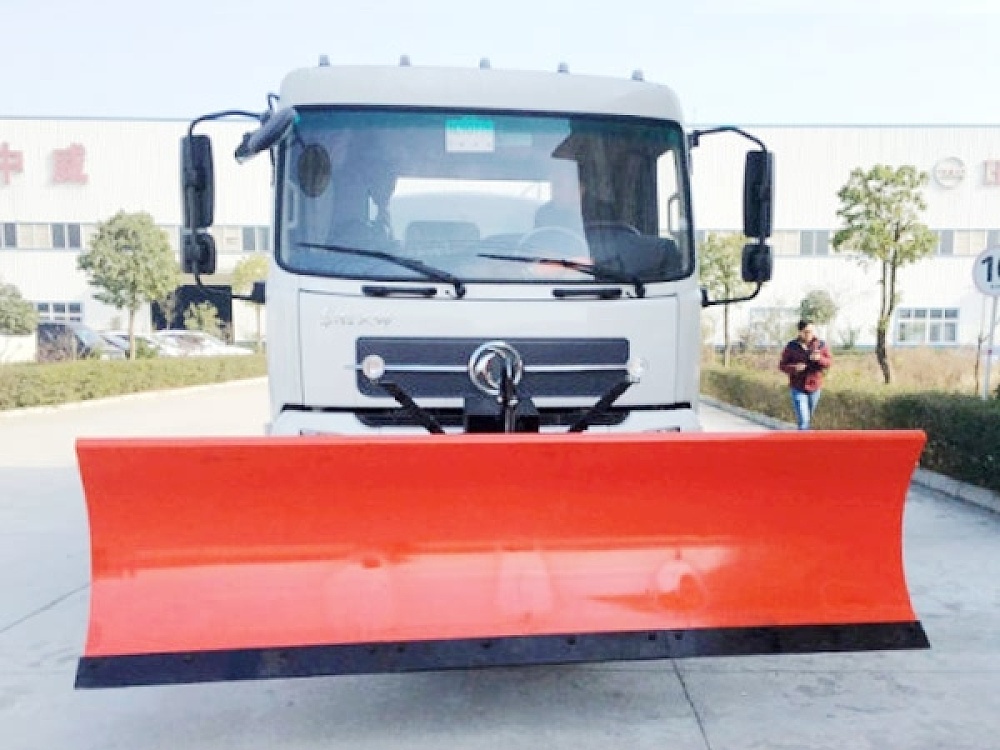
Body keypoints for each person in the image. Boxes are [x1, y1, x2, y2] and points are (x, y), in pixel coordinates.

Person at [779, 320, 832, 430]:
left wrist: (819, 359)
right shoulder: (791, 346)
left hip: (814, 386)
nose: (810, 334)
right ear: (800, 332)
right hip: (798, 387)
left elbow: (829, 362)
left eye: (812, 331)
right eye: (807, 332)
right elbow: (782, 365)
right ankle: (804, 439)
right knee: (804, 420)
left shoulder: (821, 345)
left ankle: (803, 437)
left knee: (807, 419)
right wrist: (794, 368)